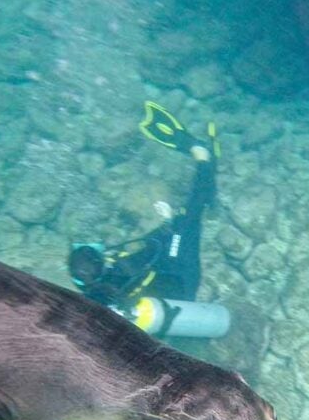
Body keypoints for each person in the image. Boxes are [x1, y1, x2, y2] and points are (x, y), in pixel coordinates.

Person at [68, 102, 229, 338]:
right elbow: (152, 252)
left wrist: (164, 228)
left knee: (177, 227)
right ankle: (202, 155)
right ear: (100, 263)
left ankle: (206, 190)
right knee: (189, 217)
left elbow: (148, 254)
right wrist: (169, 227)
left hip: (165, 298)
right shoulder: (117, 271)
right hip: (181, 284)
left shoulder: (94, 298)